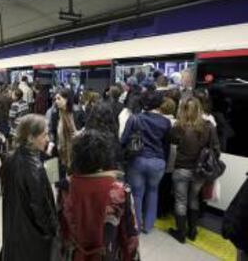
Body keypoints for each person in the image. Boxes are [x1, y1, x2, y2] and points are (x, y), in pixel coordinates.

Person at [60, 130, 140, 261]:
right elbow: (130, 234)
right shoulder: (120, 190)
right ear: (104, 157)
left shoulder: (64, 188)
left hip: (75, 254)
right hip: (107, 254)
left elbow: (62, 229)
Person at [0, 114, 58, 261]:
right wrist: (52, 231)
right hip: (32, 235)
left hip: (13, 227)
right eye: (44, 135)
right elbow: (40, 208)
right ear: (31, 138)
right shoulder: (35, 169)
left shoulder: (10, 158)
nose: (47, 139)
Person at [168, 97, 220, 243]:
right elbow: (216, 150)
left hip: (182, 169)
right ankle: (192, 231)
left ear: (183, 110)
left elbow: (170, 139)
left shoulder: (179, 126)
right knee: (194, 199)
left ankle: (181, 233)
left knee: (181, 200)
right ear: (199, 109)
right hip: (199, 171)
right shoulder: (209, 126)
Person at [121, 90, 171, 233]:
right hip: (158, 162)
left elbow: (124, 140)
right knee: (153, 192)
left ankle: (136, 225)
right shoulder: (166, 122)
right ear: (160, 103)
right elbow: (166, 144)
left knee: (137, 193)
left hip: (138, 160)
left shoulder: (135, 118)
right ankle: (148, 226)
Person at [49, 88, 78, 186]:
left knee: (73, 182)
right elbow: (52, 133)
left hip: (74, 152)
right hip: (59, 151)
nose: (56, 101)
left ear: (67, 99)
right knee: (58, 182)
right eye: (55, 99)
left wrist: (79, 133)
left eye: (59, 98)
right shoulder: (55, 114)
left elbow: (84, 129)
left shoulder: (77, 114)